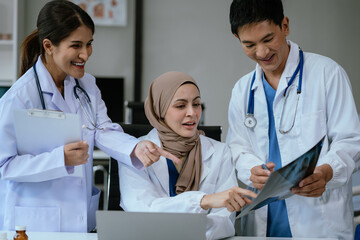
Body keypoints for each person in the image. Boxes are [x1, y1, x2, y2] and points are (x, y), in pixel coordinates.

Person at [0, 0, 179, 232]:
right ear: (48, 45)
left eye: (89, 44)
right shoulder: (19, 97)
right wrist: (59, 160)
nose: (85, 54)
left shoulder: (86, 85)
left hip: (77, 217)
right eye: (76, 45)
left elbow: (102, 129)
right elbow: (4, 166)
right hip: (35, 221)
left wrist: (135, 148)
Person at [226, 0, 360, 239]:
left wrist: (326, 172)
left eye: (268, 39)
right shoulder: (242, 90)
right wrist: (251, 170)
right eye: (249, 44)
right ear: (237, 39)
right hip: (263, 223)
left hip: (319, 224)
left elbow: (350, 141)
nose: (262, 53)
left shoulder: (327, 74)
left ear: (285, 26)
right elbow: (237, 147)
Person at [118, 71, 257, 240]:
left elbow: (224, 221)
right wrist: (203, 201)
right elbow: (141, 211)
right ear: (160, 110)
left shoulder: (221, 152)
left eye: (196, 104)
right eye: (180, 106)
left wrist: (184, 231)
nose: (192, 113)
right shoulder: (136, 151)